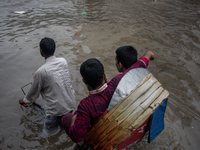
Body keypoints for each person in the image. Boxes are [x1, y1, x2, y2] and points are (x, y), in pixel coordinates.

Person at [61, 46, 154, 143]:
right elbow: (135, 68)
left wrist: (73, 121)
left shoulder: (86, 105)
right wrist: (148, 55)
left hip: (100, 135)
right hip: (121, 123)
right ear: (104, 75)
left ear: (84, 81)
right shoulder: (118, 82)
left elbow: (77, 137)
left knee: (66, 118)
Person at [19, 37, 76, 131]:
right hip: (70, 104)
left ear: (41, 51)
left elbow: (33, 94)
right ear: (54, 48)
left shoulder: (41, 71)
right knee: (65, 126)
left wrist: (24, 101)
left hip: (54, 111)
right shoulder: (63, 61)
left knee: (48, 132)